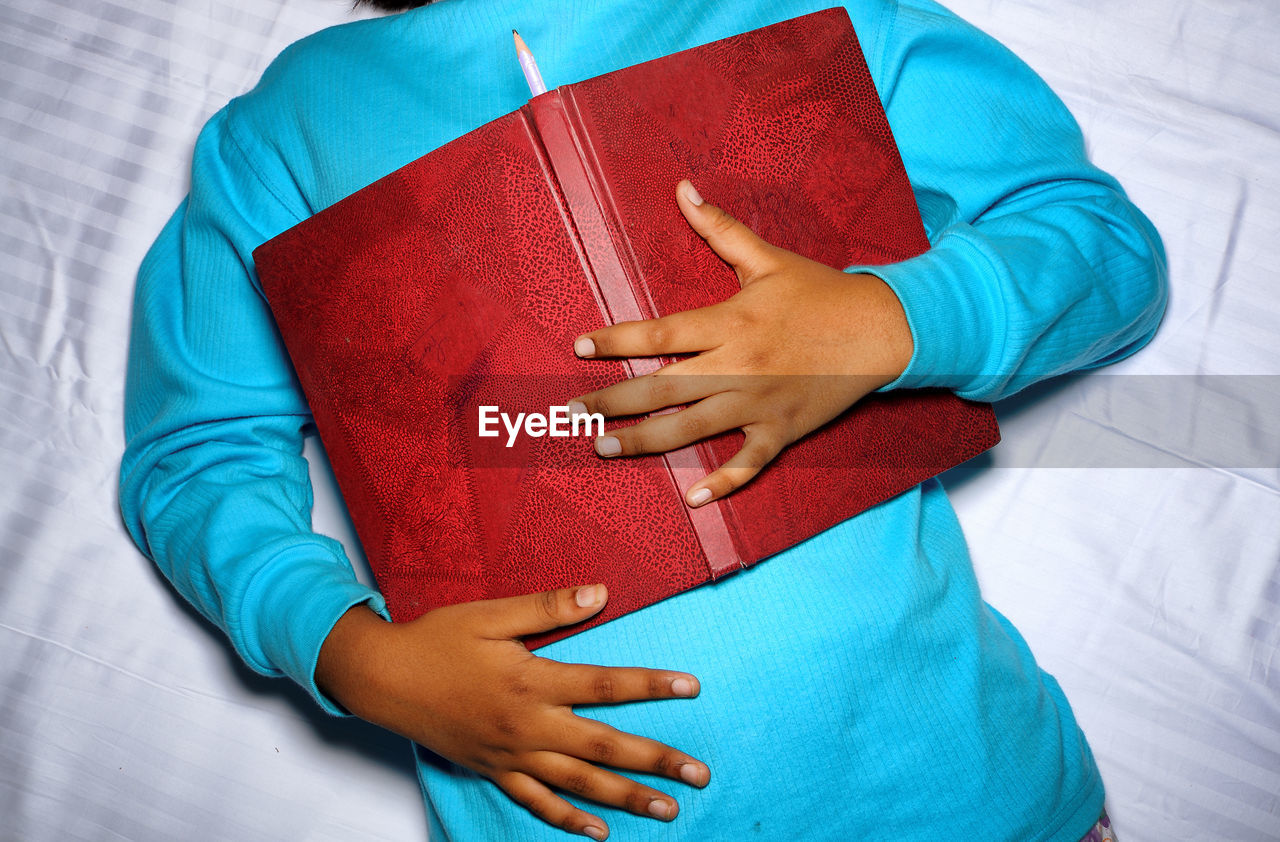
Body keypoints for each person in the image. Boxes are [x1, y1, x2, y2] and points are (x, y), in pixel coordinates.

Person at [119, 0, 1165, 839]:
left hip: (974, 798)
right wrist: (347, 652)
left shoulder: (814, 13)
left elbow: (1101, 246)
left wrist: (889, 320)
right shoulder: (282, 133)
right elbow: (195, 452)